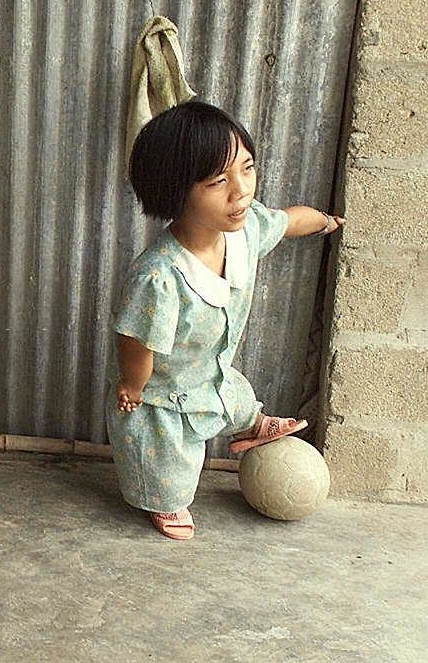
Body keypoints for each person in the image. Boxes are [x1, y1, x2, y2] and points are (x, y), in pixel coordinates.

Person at [108, 101, 344, 541]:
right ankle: (164, 500)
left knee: (233, 396)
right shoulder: (159, 277)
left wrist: (325, 222)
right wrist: (131, 386)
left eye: (247, 169)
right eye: (218, 181)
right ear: (176, 190)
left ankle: (251, 425)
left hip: (208, 372)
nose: (241, 190)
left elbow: (287, 221)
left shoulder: (245, 229)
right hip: (161, 397)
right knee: (168, 467)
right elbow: (137, 341)